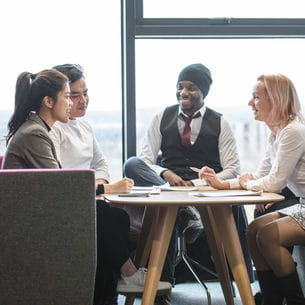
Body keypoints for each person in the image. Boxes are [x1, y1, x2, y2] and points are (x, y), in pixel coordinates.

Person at [2, 69, 145, 305]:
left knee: (114, 217)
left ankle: (108, 291)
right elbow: (63, 187)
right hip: (24, 222)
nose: (72, 103)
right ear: (48, 101)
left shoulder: (37, 130)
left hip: (35, 213)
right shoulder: (34, 135)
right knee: (103, 216)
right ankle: (126, 276)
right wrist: (105, 190)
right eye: (68, 96)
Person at [124, 63, 253, 304]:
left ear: (203, 91)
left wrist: (197, 184)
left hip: (202, 190)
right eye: (180, 87)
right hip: (165, 187)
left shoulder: (220, 123)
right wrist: (165, 174)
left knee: (166, 207)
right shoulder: (161, 117)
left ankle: (183, 209)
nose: (183, 92)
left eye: (191, 87)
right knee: (131, 163)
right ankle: (183, 212)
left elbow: (232, 169)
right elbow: (145, 160)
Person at [199, 74, 305, 305]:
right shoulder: (277, 133)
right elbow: (259, 176)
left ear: (276, 100)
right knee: (253, 228)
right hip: (303, 204)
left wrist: (248, 183)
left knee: (267, 234)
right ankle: (272, 299)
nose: (250, 103)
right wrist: (222, 183)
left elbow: (273, 182)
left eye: (256, 97)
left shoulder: (293, 132)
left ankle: (295, 300)